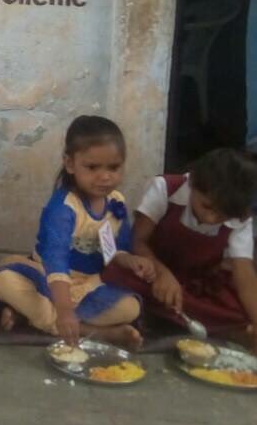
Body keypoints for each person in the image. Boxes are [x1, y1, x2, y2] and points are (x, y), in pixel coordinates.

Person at [0, 116, 151, 350]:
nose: (105, 176)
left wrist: (131, 260)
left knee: (131, 307)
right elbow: (55, 259)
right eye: (92, 167)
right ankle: (95, 332)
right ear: (70, 164)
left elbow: (112, 251)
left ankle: (31, 316)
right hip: (47, 275)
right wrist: (64, 310)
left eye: (113, 168)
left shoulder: (116, 202)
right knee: (3, 280)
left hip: (88, 284)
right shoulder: (64, 207)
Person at [103, 148, 257, 351]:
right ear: (192, 183)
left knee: (238, 308)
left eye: (222, 216)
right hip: (151, 271)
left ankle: (165, 318)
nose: (211, 219)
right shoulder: (166, 188)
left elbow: (244, 275)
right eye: (207, 207)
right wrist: (161, 273)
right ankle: (199, 324)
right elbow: (138, 241)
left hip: (196, 284)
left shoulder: (239, 217)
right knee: (114, 273)